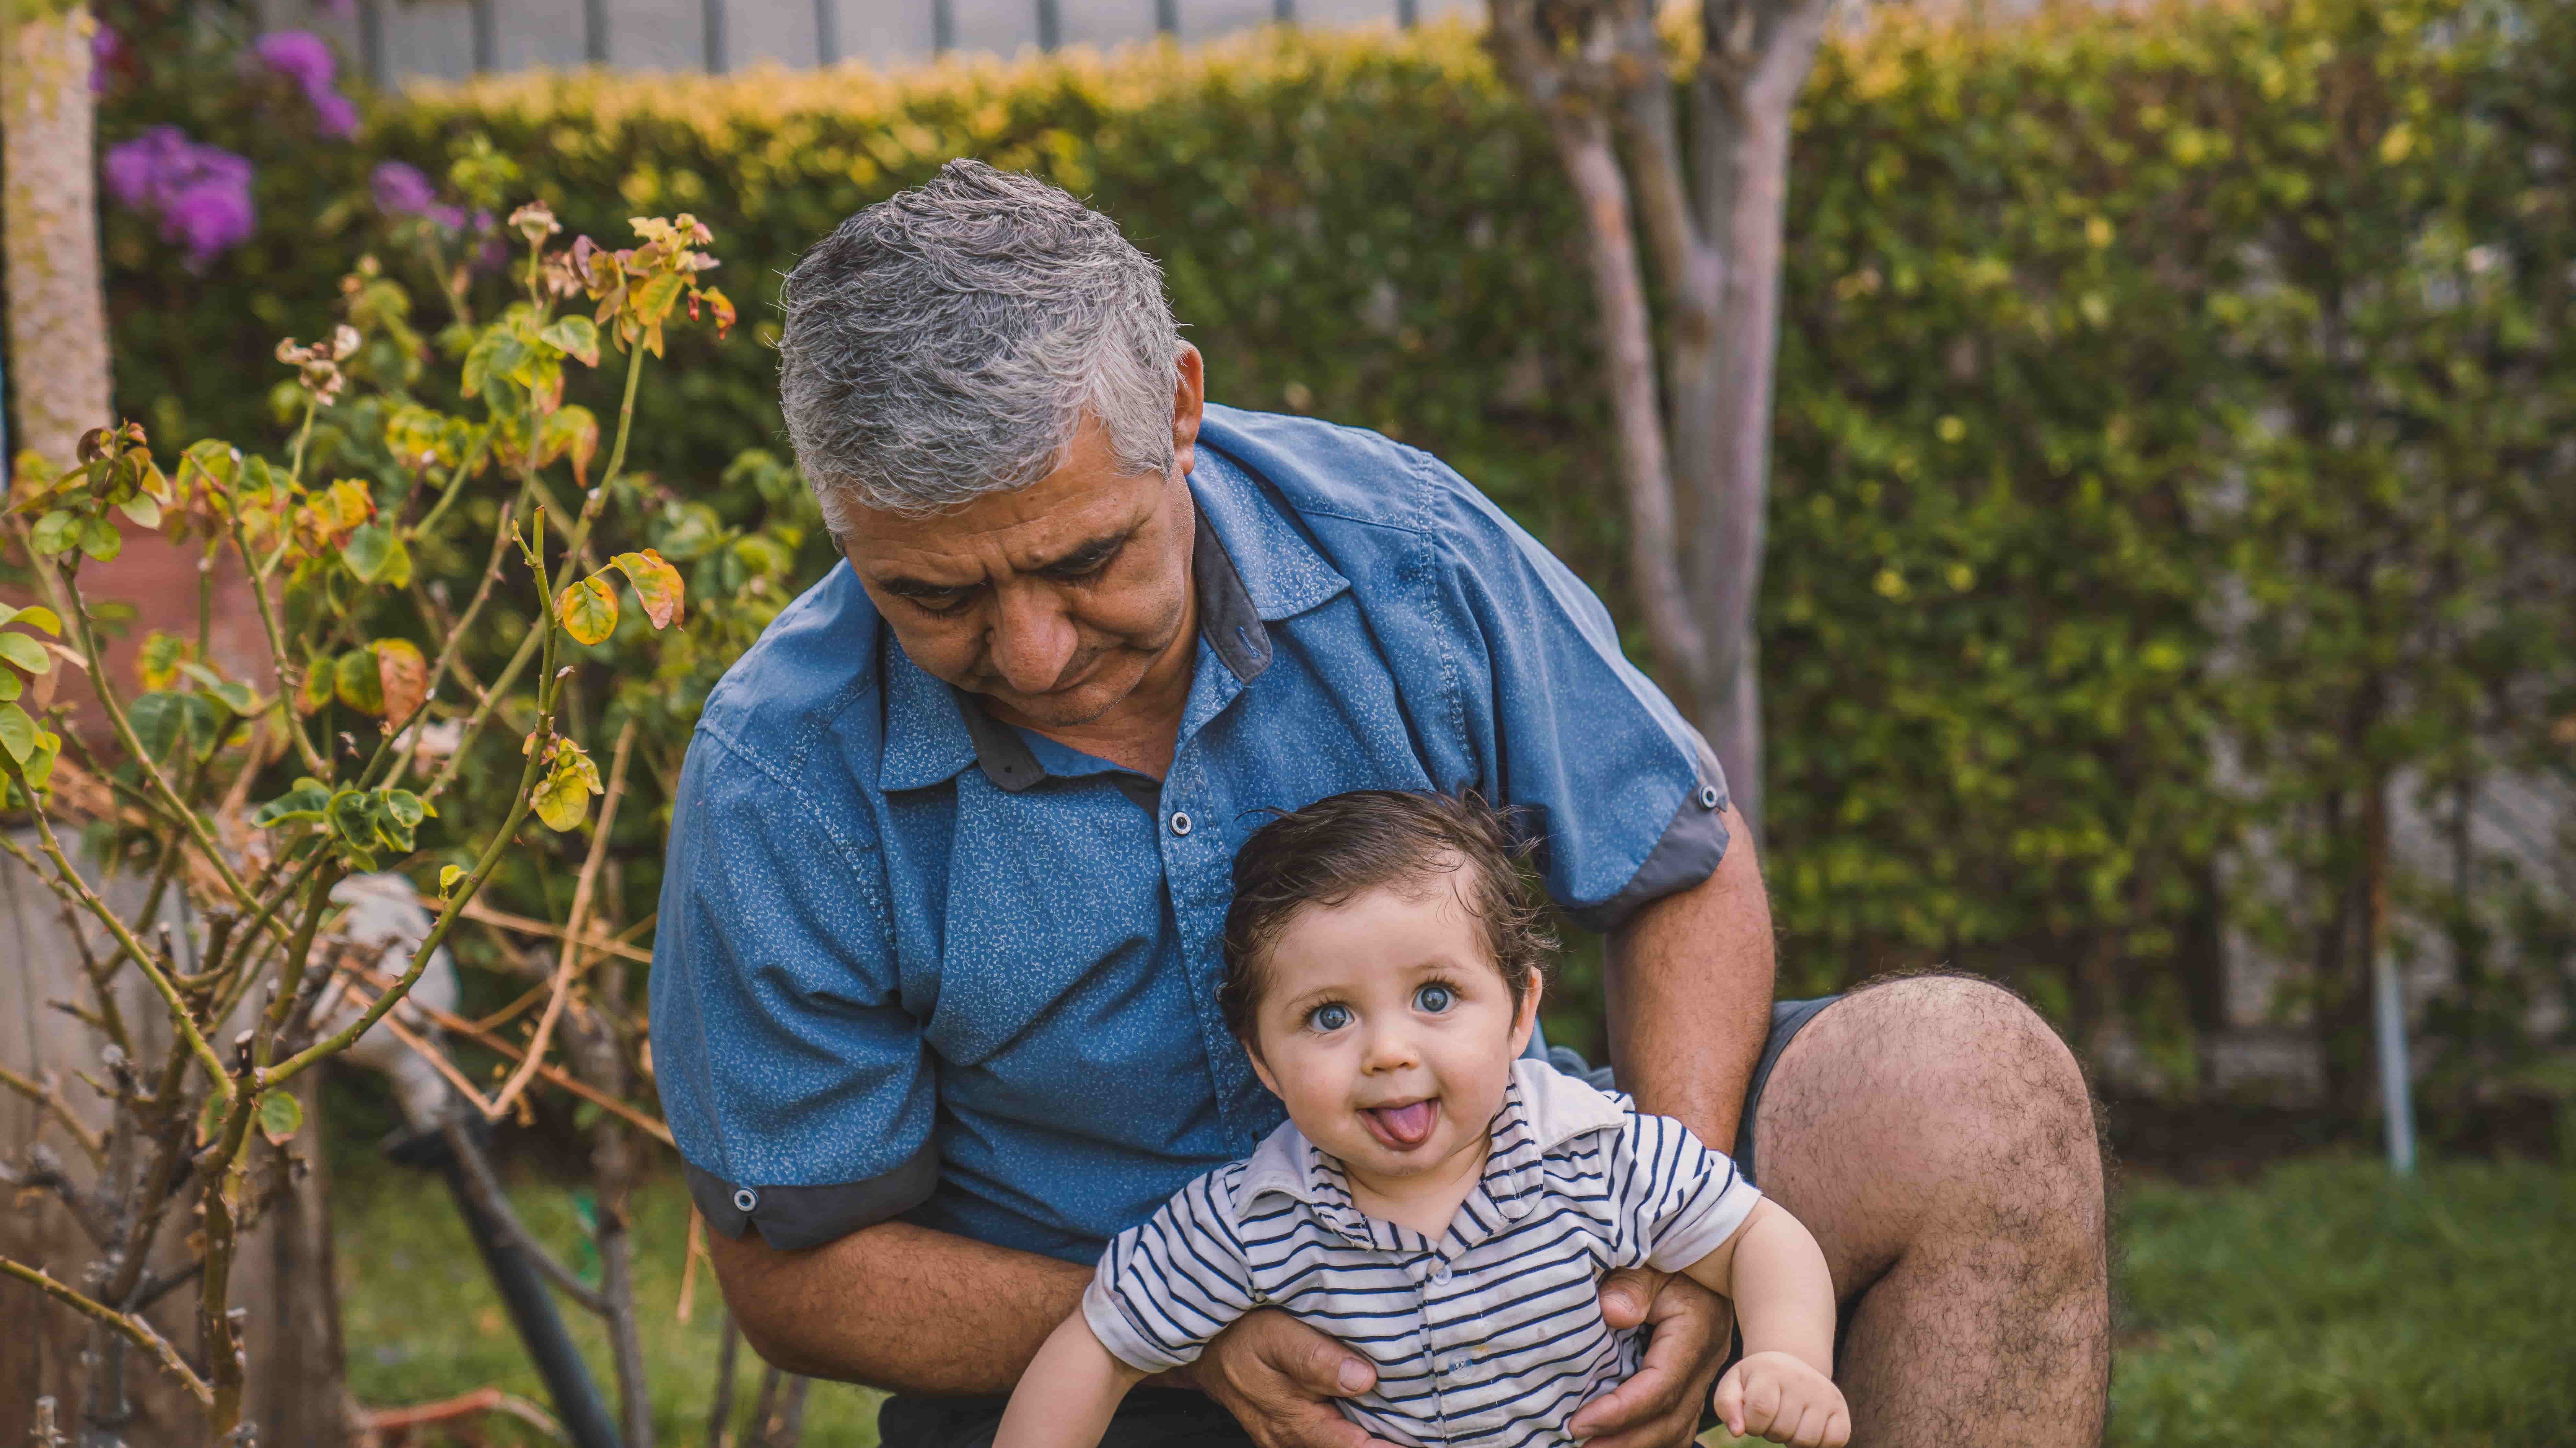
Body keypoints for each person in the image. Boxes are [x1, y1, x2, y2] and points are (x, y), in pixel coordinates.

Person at [652, 158, 2110, 1448]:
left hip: (1549, 1237)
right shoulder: (779, 774)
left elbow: (1675, 865)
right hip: (1129, 1377)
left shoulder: (1399, 544)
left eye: (1085, 558)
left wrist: (1672, 1244)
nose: (1032, 650)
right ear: (845, 520)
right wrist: (1195, 1328)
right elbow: (795, 1271)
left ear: (1178, 409)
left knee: (1964, 1080)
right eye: (933, 594)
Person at [995, 791, 1850, 1448]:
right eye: (1329, 1016)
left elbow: (1758, 1237)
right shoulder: (1256, 1219)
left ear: (1521, 1014)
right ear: (1262, 1058)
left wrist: (1787, 1355)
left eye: (1435, 998)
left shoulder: (1592, 1153)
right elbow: (1099, 1343)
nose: (1388, 1053)